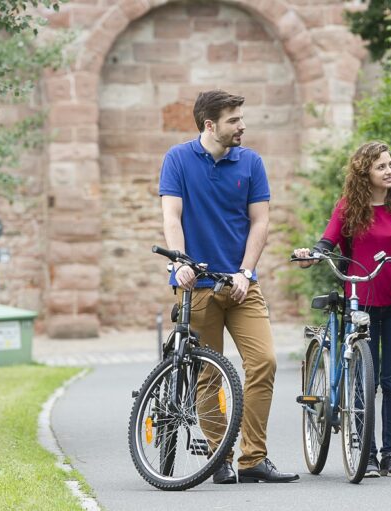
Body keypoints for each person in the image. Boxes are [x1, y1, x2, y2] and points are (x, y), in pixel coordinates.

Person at [158, 89, 298, 484]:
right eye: (234, 120)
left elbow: (260, 222)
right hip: (197, 284)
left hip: (240, 284)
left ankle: (253, 458)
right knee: (208, 373)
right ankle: (219, 457)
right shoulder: (178, 159)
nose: (242, 126)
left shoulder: (251, 162)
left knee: (264, 361)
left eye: (241, 118)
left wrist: (245, 271)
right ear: (210, 125)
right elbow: (172, 216)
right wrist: (179, 262)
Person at [293, 141, 391, 477]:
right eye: (381, 167)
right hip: (360, 302)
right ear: (365, 172)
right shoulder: (349, 208)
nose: (389, 171)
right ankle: (368, 455)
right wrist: (311, 256)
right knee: (366, 381)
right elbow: (326, 243)